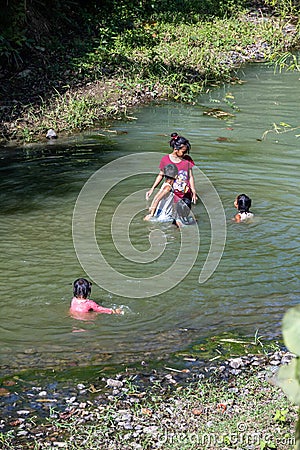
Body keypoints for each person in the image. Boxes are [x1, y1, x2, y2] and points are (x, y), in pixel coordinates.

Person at [146, 133, 197, 212]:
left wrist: (193, 191)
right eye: (183, 152)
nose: (184, 154)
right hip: (172, 192)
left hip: (185, 192)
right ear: (176, 149)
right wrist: (152, 188)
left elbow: (190, 177)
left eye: (186, 151)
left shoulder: (187, 160)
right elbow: (160, 175)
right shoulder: (165, 159)